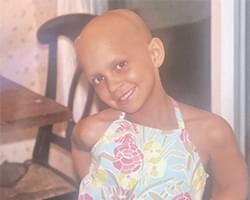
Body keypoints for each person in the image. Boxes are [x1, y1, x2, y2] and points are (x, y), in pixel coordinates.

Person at [72, 9, 248, 200]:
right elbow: (79, 146)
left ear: (155, 54)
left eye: (120, 65)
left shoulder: (209, 132)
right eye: (98, 79)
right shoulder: (94, 131)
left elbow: (233, 186)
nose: (113, 86)